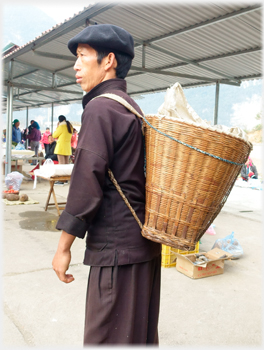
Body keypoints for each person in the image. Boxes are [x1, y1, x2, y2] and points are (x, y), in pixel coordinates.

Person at [52, 24, 161, 345]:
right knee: (137, 336)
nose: (75, 65)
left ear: (108, 60)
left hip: (116, 251)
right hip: (141, 244)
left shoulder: (101, 109)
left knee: (107, 339)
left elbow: (87, 184)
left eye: (83, 56)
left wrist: (63, 248)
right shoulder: (130, 107)